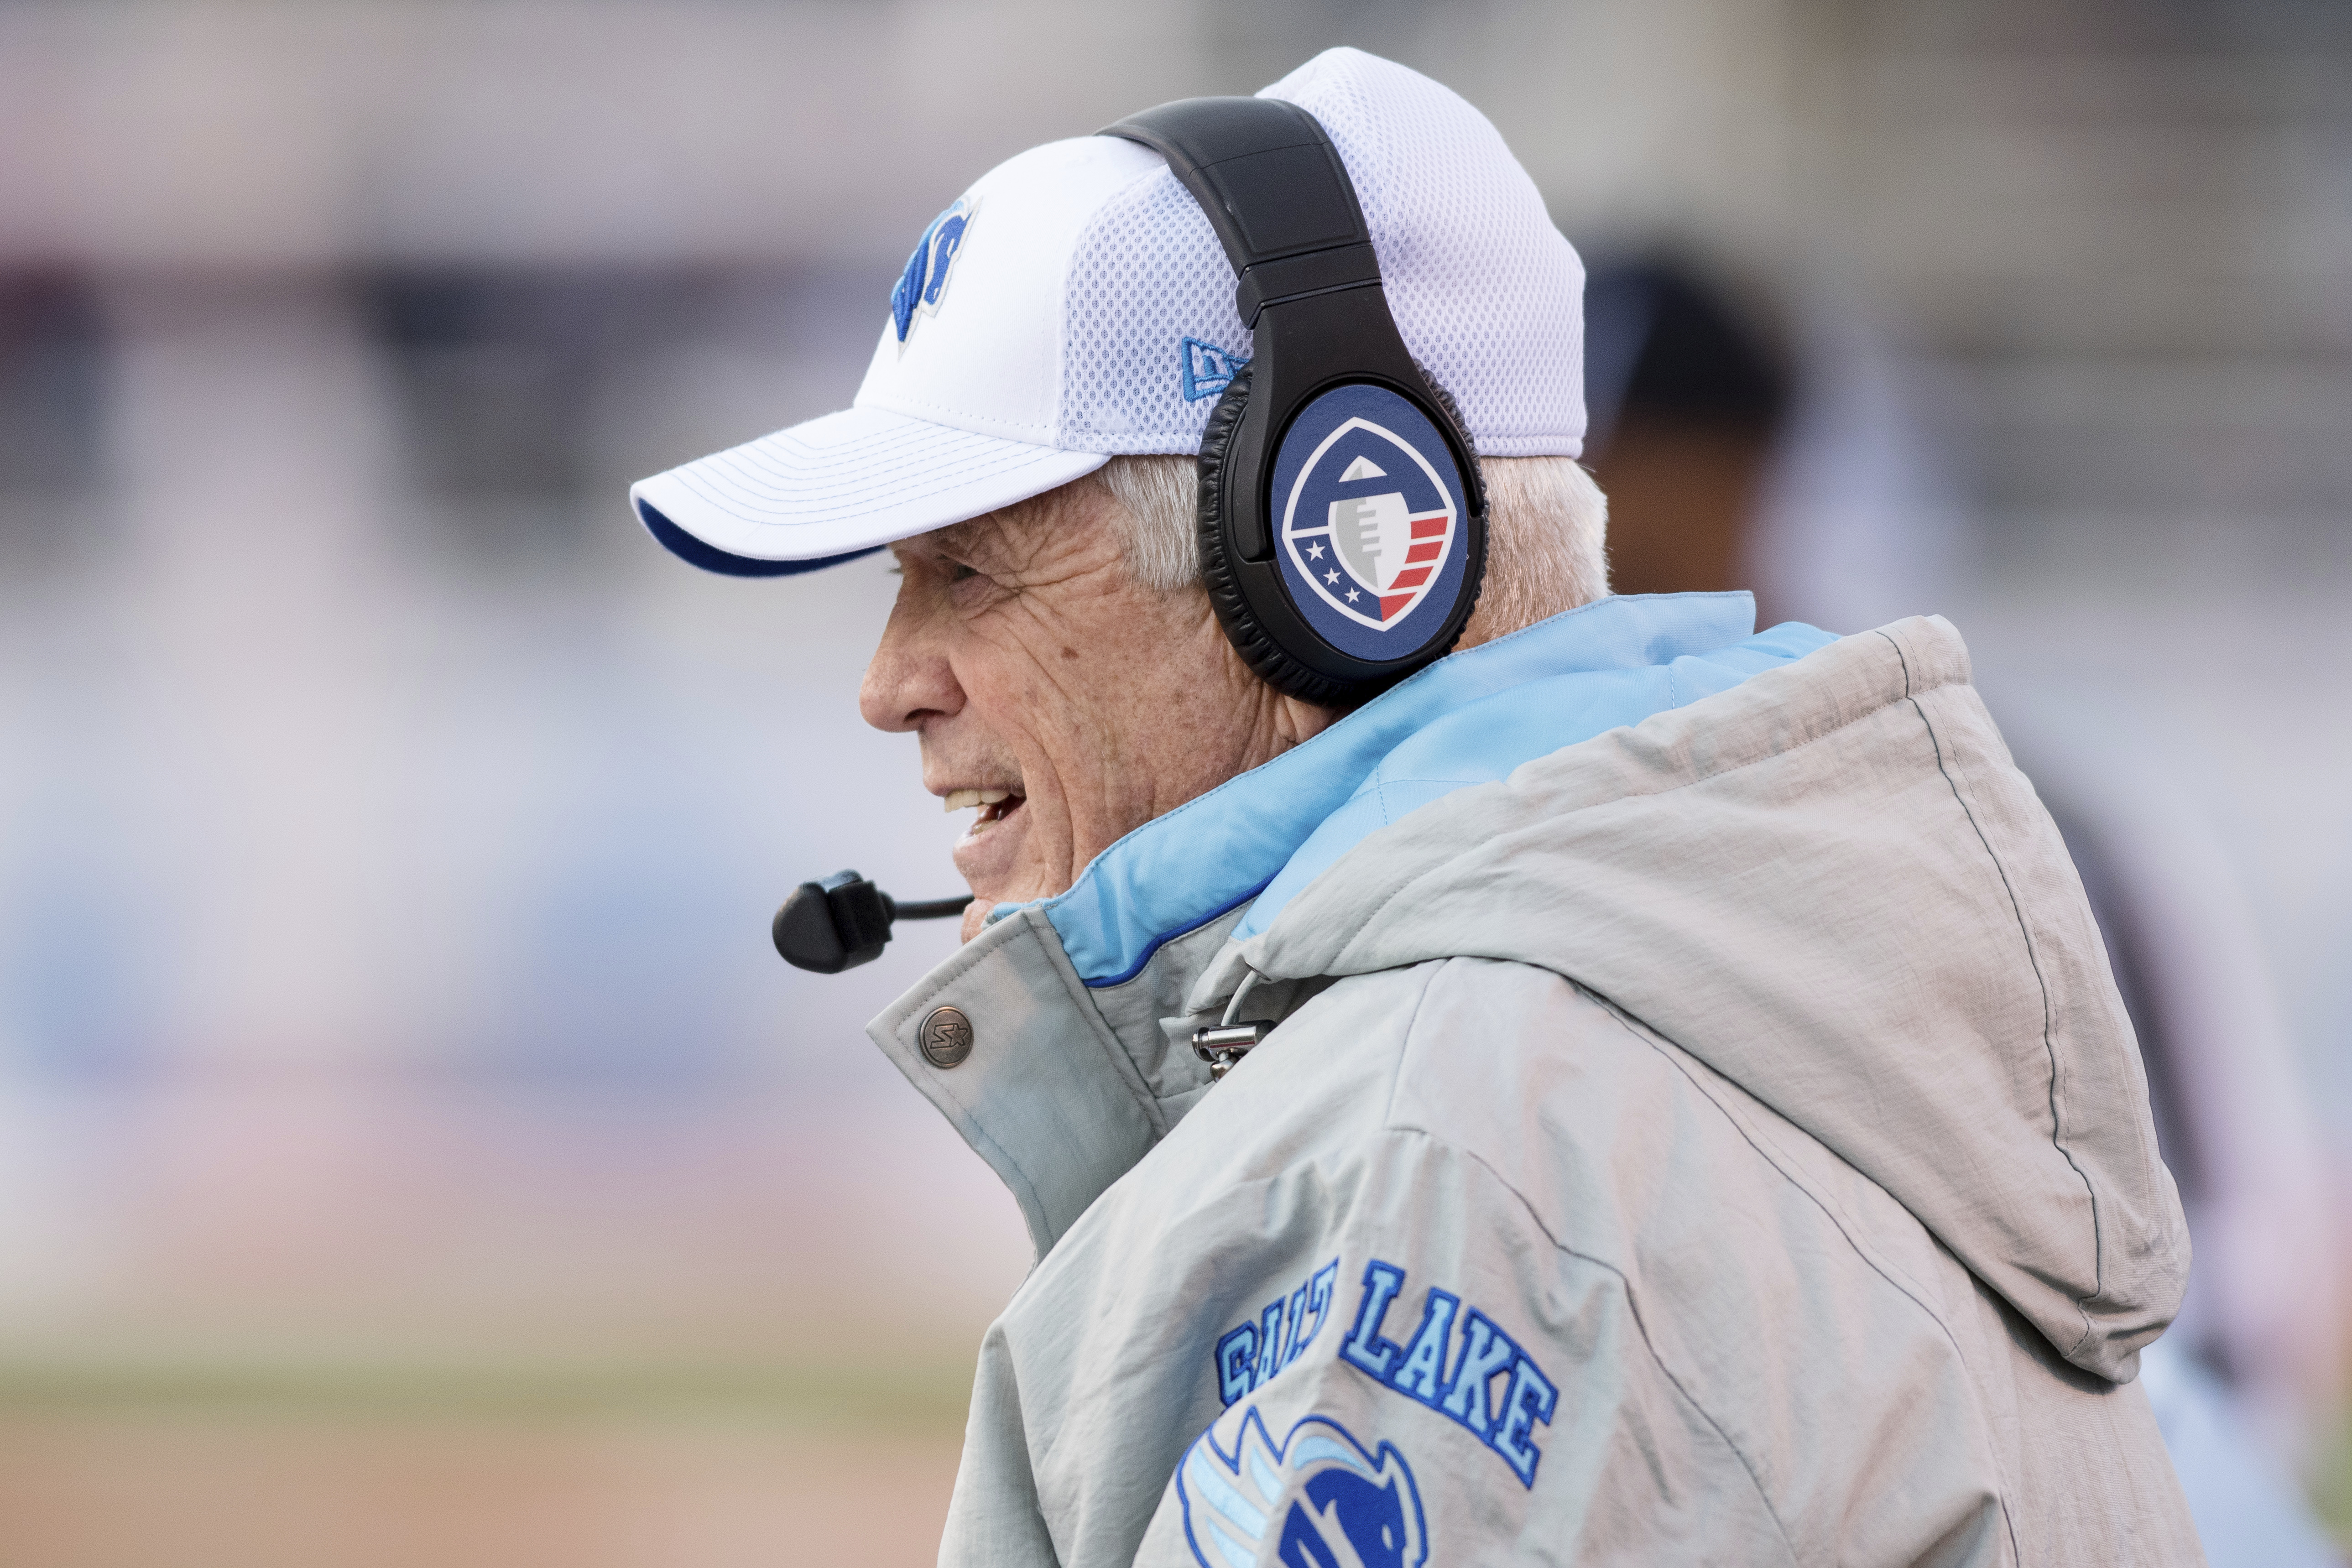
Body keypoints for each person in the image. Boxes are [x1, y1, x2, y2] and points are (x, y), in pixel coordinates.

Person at [631, 48, 2203, 1567]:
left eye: (969, 572)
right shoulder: (1613, 1029)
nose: (889, 682)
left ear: (1329, 553)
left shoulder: (1439, 1155)